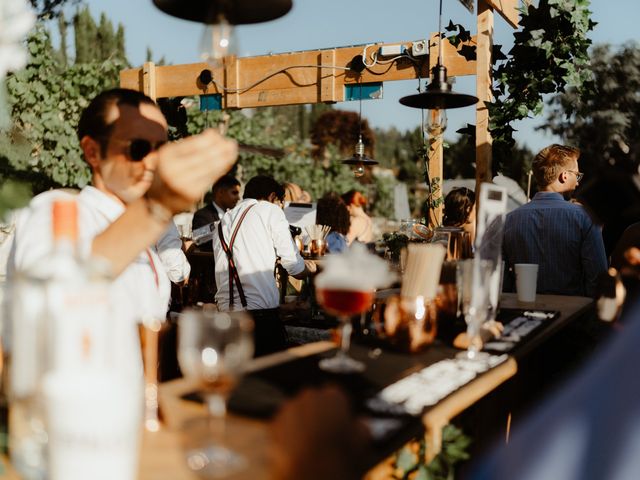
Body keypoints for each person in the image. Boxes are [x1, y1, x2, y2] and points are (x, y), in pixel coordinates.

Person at [9, 88, 237, 375]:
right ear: (92, 151)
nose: (153, 161)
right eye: (138, 147)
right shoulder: (56, 210)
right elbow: (51, 299)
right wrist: (156, 206)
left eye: (161, 148)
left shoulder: (147, 235)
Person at [212, 174, 315, 356]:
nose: (280, 207)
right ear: (272, 197)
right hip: (259, 322)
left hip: (225, 318)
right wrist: (311, 268)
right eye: (280, 203)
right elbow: (294, 267)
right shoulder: (269, 210)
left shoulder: (223, 221)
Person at [502, 144, 607, 297]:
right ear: (564, 176)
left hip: (522, 311)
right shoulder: (585, 217)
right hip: (571, 314)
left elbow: (501, 280)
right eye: (577, 175)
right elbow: (597, 278)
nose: (578, 182)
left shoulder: (509, 220)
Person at [191, 174, 241, 251]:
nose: (238, 198)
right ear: (220, 192)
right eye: (234, 193)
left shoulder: (234, 215)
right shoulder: (202, 215)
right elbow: (201, 242)